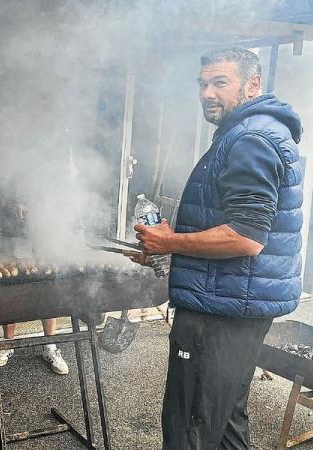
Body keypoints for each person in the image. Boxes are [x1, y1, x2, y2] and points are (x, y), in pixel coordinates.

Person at [128, 47, 302, 449]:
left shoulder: (252, 138)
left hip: (220, 311)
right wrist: (169, 245)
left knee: (191, 426)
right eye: (203, 84)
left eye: (220, 82)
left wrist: (168, 241)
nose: (207, 92)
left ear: (252, 84)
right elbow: (232, 222)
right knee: (223, 425)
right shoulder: (250, 132)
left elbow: (246, 236)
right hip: (234, 304)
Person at [0, 153, 69, 375]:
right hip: (12, 229)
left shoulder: (50, 152)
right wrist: (15, 200)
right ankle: (8, 343)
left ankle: (50, 345)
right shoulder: (9, 151)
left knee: (47, 282)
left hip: (44, 229)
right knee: (13, 284)